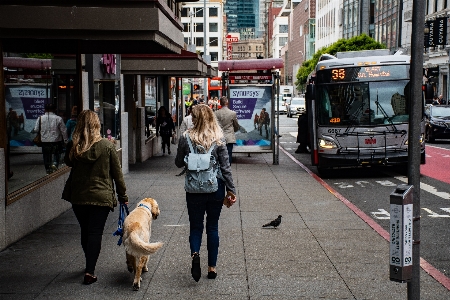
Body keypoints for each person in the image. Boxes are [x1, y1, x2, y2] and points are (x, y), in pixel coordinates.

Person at [63, 110, 128, 285]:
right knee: (95, 232)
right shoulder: (107, 146)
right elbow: (117, 174)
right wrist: (123, 195)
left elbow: (67, 162)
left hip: (79, 196)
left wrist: (74, 141)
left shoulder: (74, 146)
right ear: (97, 125)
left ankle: (88, 265)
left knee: (86, 230)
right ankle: (90, 271)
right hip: (100, 196)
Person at [174, 104, 237, 281]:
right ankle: (212, 268)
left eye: (193, 117)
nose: (191, 119)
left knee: (195, 227)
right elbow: (226, 168)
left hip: (193, 189)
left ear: (196, 119)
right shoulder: (219, 139)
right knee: (212, 227)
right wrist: (231, 190)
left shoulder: (186, 137)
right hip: (215, 187)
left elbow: (178, 163)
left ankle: (195, 254)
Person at [33, 103, 68, 174]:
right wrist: (66, 140)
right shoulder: (58, 118)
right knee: (56, 153)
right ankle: (55, 164)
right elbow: (63, 130)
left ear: (45, 110)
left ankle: (48, 170)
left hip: (44, 140)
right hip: (56, 140)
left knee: (46, 155)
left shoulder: (40, 118)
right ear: (55, 109)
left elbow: (36, 129)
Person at [214, 96, 240, 164]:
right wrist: (233, 131)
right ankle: (228, 170)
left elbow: (214, 125)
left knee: (219, 155)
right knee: (229, 154)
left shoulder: (216, 113)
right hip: (229, 137)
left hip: (219, 137)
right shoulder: (232, 113)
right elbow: (236, 125)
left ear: (220, 103)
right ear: (227, 103)